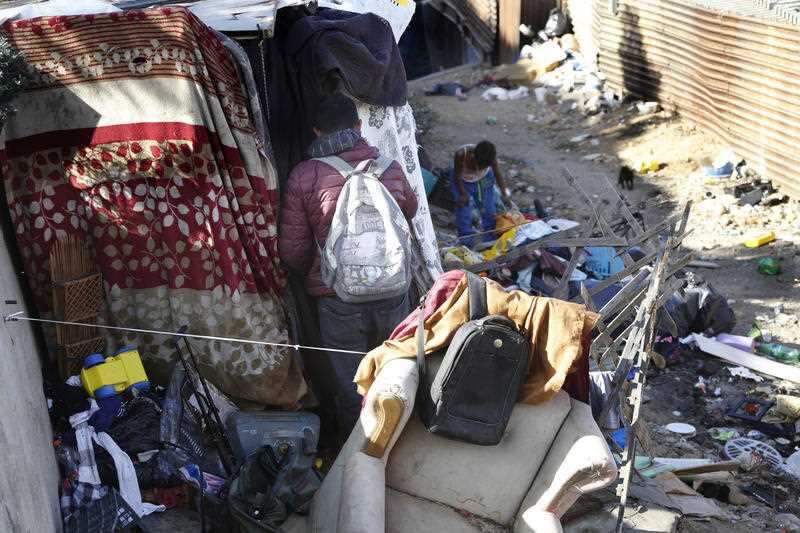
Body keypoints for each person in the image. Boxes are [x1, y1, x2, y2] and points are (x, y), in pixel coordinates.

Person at [278, 93, 418, 439]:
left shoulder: (304, 176)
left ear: (315, 131)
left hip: (338, 297)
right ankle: (404, 441)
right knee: (398, 371)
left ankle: (354, 452)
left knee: (350, 381)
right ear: (358, 126)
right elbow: (409, 213)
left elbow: (292, 252)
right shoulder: (390, 168)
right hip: (392, 290)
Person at [450, 141, 510, 247]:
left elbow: (498, 175)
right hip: (463, 181)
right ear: (473, 156)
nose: (480, 168)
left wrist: (504, 194)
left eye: (485, 166)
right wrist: (463, 194)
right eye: (480, 165)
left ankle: (490, 238)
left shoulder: (491, 159)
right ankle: (466, 241)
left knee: (489, 209)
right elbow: (457, 176)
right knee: (463, 210)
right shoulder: (461, 154)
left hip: (484, 179)